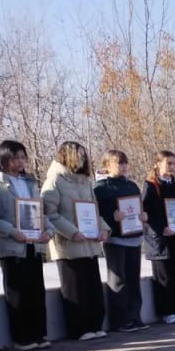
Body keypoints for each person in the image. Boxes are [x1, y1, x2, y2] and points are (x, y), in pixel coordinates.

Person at [0, 140, 52, 350]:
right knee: (18, 294)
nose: (20, 162)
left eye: (23, 157)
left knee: (36, 291)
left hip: (34, 245)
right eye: (15, 158)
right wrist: (13, 231)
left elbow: (41, 213)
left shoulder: (31, 183)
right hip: (12, 246)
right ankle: (22, 337)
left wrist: (49, 230)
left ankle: (39, 333)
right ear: (4, 159)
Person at [43, 141, 110, 340]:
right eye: (79, 155)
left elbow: (94, 210)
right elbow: (50, 213)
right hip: (69, 246)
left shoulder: (85, 182)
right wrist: (72, 232)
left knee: (93, 287)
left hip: (90, 244)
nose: (82, 159)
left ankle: (95, 324)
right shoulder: (54, 181)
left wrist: (104, 229)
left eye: (84, 155)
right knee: (74, 288)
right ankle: (79, 329)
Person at [94, 149, 149, 332]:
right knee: (118, 280)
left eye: (125, 162)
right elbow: (96, 214)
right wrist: (112, 218)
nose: (124, 166)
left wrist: (142, 217)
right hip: (115, 239)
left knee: (133, 279)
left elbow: (138, 206)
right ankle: (120, 320)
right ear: (107, 165)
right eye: (119, 163)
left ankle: (135, 316)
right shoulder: (100, 188)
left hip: (134, 237)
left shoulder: (131, 185)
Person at [142, 150, 175, 324]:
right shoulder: (150, 186)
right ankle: (166, 312)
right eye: (168, 163)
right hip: (160, 241)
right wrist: (161, 228)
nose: (172, 167)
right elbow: (146, 213)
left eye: (174, 163)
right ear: (157, 164)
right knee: (164, 278)